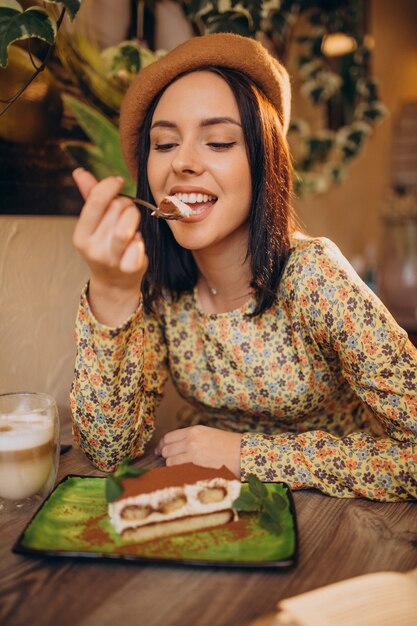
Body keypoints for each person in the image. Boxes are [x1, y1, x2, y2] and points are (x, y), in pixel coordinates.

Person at [71, 33, 417, 501]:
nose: (184, 163)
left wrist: (246, 454)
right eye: (165, 143)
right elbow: (108, 450)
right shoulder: (157, 289)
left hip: (341, 527)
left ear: (263, 159)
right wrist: (111, 292)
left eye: (217, 141)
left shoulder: (314, 275)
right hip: (220, 514)